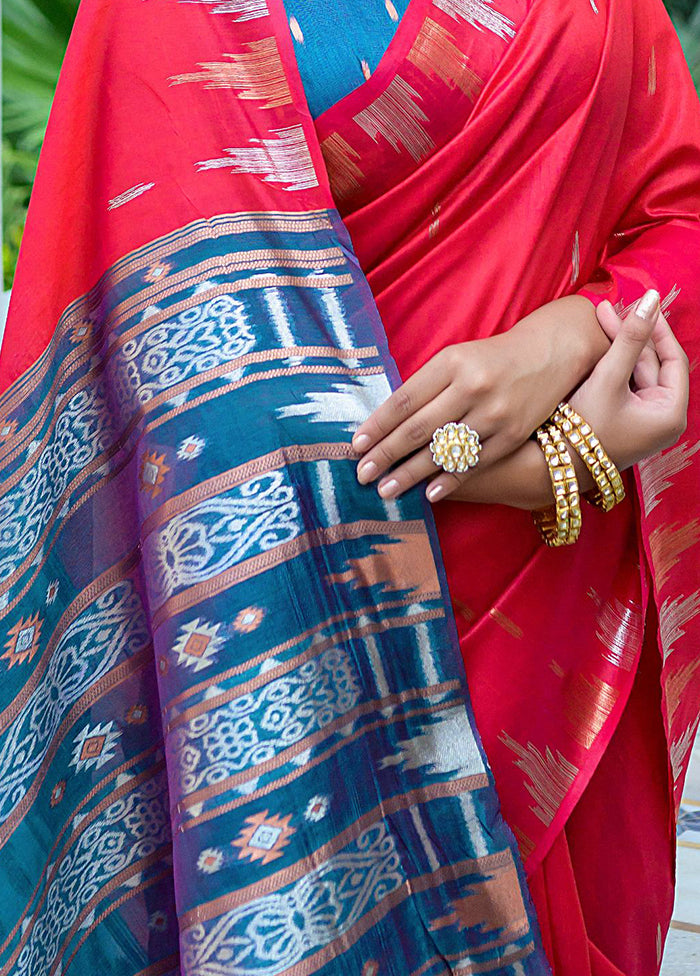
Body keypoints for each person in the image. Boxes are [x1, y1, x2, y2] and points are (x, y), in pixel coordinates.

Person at [0, 0, 697, 974]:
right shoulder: (157, 18)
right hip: (282, 631)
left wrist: (579, 329)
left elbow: (679, 212)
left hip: (546, 608)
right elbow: (186, 378)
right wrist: (528, 463)